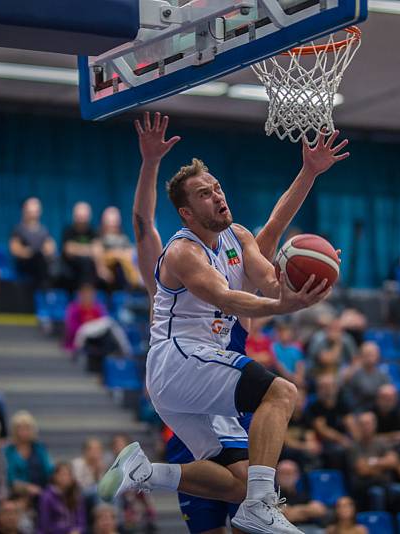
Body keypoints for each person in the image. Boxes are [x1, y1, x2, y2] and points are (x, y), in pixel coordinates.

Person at [114, 111, 348, 533]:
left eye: (217, 187)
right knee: (282, 392)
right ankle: (263, 504)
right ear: (186, 212)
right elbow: (219, 293)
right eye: (204, 193)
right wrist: (150, 163)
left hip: (205, 377)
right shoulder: (182, 252)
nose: (217, 195)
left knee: (239, 483)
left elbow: (268, 272)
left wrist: (297, 288)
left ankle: (148, 473)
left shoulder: (239, 239)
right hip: (180, 362)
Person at [347, 411, 400, 512]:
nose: (366, 427)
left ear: (374, 425)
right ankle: (380, 524)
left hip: (386, 484)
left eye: (368, 424)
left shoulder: (381, 442)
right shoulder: (354, 447)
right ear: (358, 427)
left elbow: (394, 461)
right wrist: (383, 464)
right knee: (377, 493)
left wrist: (372, 463)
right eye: (362, 424)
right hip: (365, 486)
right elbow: (362, 470)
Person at [307, 372, 354, 470]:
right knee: (339, 451)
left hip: (343, 440)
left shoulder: (342, 404)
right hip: (324, 443)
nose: (327, 390)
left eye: (330, 386)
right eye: (323, 387)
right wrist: (342, 439)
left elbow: (351, 424)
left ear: (336, 388)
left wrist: (357, 440)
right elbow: (322, 430)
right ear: (318, 389)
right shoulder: (315, 407)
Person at [4, 410, 54, 499]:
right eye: (20, 428)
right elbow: (8, 475)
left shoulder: (39, 448)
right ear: (15, 430)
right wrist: (26, 487)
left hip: (40, 491)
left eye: (27, 428)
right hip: (15, 492)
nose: (24, 431)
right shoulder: (8, 450)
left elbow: (49, 469)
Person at [10, 197, 56, 288]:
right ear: (24, 211)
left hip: (42, 264)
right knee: (38, 258)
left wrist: (46, 251)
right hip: (24, 265)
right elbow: (15, 250)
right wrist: (29, 252)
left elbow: (50, 248)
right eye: (30, 211)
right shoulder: (18, 229)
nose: (33, 213)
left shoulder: (44, 230)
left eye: (36, 210)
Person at [61, 202, 106, 291]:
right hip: (71, 270)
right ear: (74, 216)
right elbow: (69, 250)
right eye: (79, 216)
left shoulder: (93, 231)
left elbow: (98, 250)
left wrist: (78, 248)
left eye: (84, 217)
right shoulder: (68, 230)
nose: (82, 220)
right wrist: (89, 249)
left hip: (89, 270)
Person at [38, 463, 87, 534]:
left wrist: (78, 530)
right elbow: (45, 525)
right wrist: (67, 531)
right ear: (55, 476)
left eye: (68, 475)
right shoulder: (46, 497)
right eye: (62, 474)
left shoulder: (76, 495)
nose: (65, 478)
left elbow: (81, 522)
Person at [98, 206, 140, 290]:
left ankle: (137, 281)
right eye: (110, 221)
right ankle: (136, 281)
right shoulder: (99, 238)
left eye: (115, 221)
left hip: (124, 274)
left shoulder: (123, 238)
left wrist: (121, 255)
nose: (113, 224)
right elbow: (99, 253)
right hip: (109, 278)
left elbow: (131, 252)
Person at [276, 459, 326, 526]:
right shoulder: (271, 494)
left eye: (289, 473)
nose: (286, 477)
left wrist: (295, 509)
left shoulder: (301, 494)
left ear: (297, 475)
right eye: (282, 473)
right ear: (275, 475)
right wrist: (306, 512)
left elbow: (320, 510)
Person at [346, 341, 390, 413]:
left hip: (378, 409)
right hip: (358, 408)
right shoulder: (354, 373)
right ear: (361, 356)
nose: (370, 358)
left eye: (372, 354)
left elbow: (388, 389)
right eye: (367, 354)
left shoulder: (382, 374)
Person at [271, 321, 306, 388]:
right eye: (282, 332)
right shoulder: (274, 347)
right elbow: (278, 365)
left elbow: (300, 364)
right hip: (280, 378)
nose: (285, 334)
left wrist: (299, 377)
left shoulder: (296, 348)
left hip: (295, 379)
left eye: (287, 332)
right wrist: (291, 377)